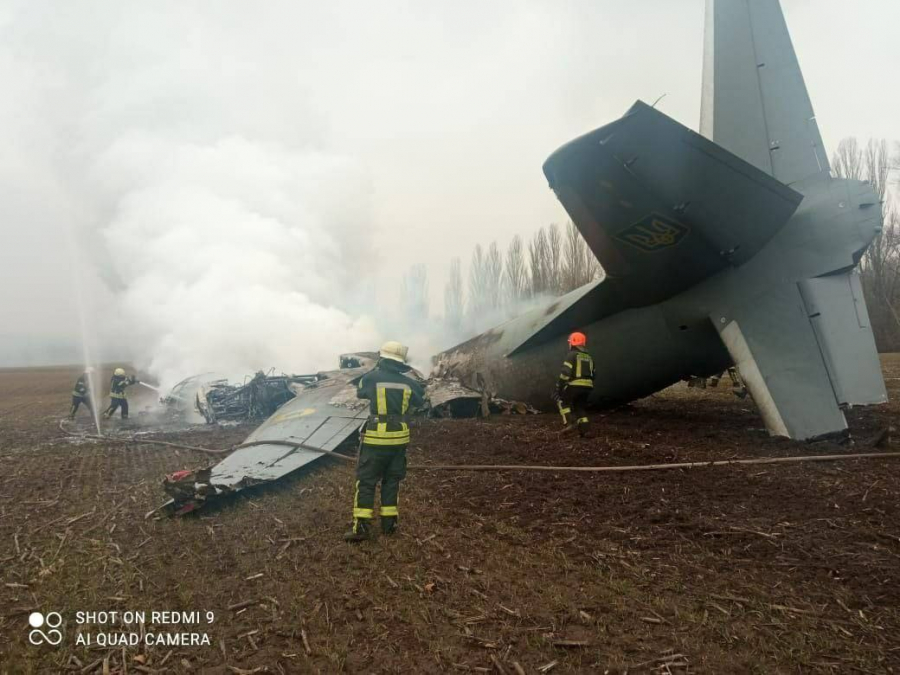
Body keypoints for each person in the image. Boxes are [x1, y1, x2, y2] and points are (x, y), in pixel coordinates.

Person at [345, 341, 425, 542]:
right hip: (399, 440)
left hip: (375, 440)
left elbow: (360, 391)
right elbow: (420, 400)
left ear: (382, 358)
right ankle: (389, 526)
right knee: (392, 482)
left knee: (366, 481)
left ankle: (361, 528)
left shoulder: (371, 378)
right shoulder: (411, 384)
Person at [556, 332, 595, 437]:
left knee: (562, 402)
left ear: (573, 342)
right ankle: (585, 431)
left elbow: (565, 373)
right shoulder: (589, 357)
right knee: (580, 407)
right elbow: (593, 373)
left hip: (575, 385)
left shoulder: (571, 355)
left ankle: (569, 423)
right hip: (588, 387)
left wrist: (559, 387)